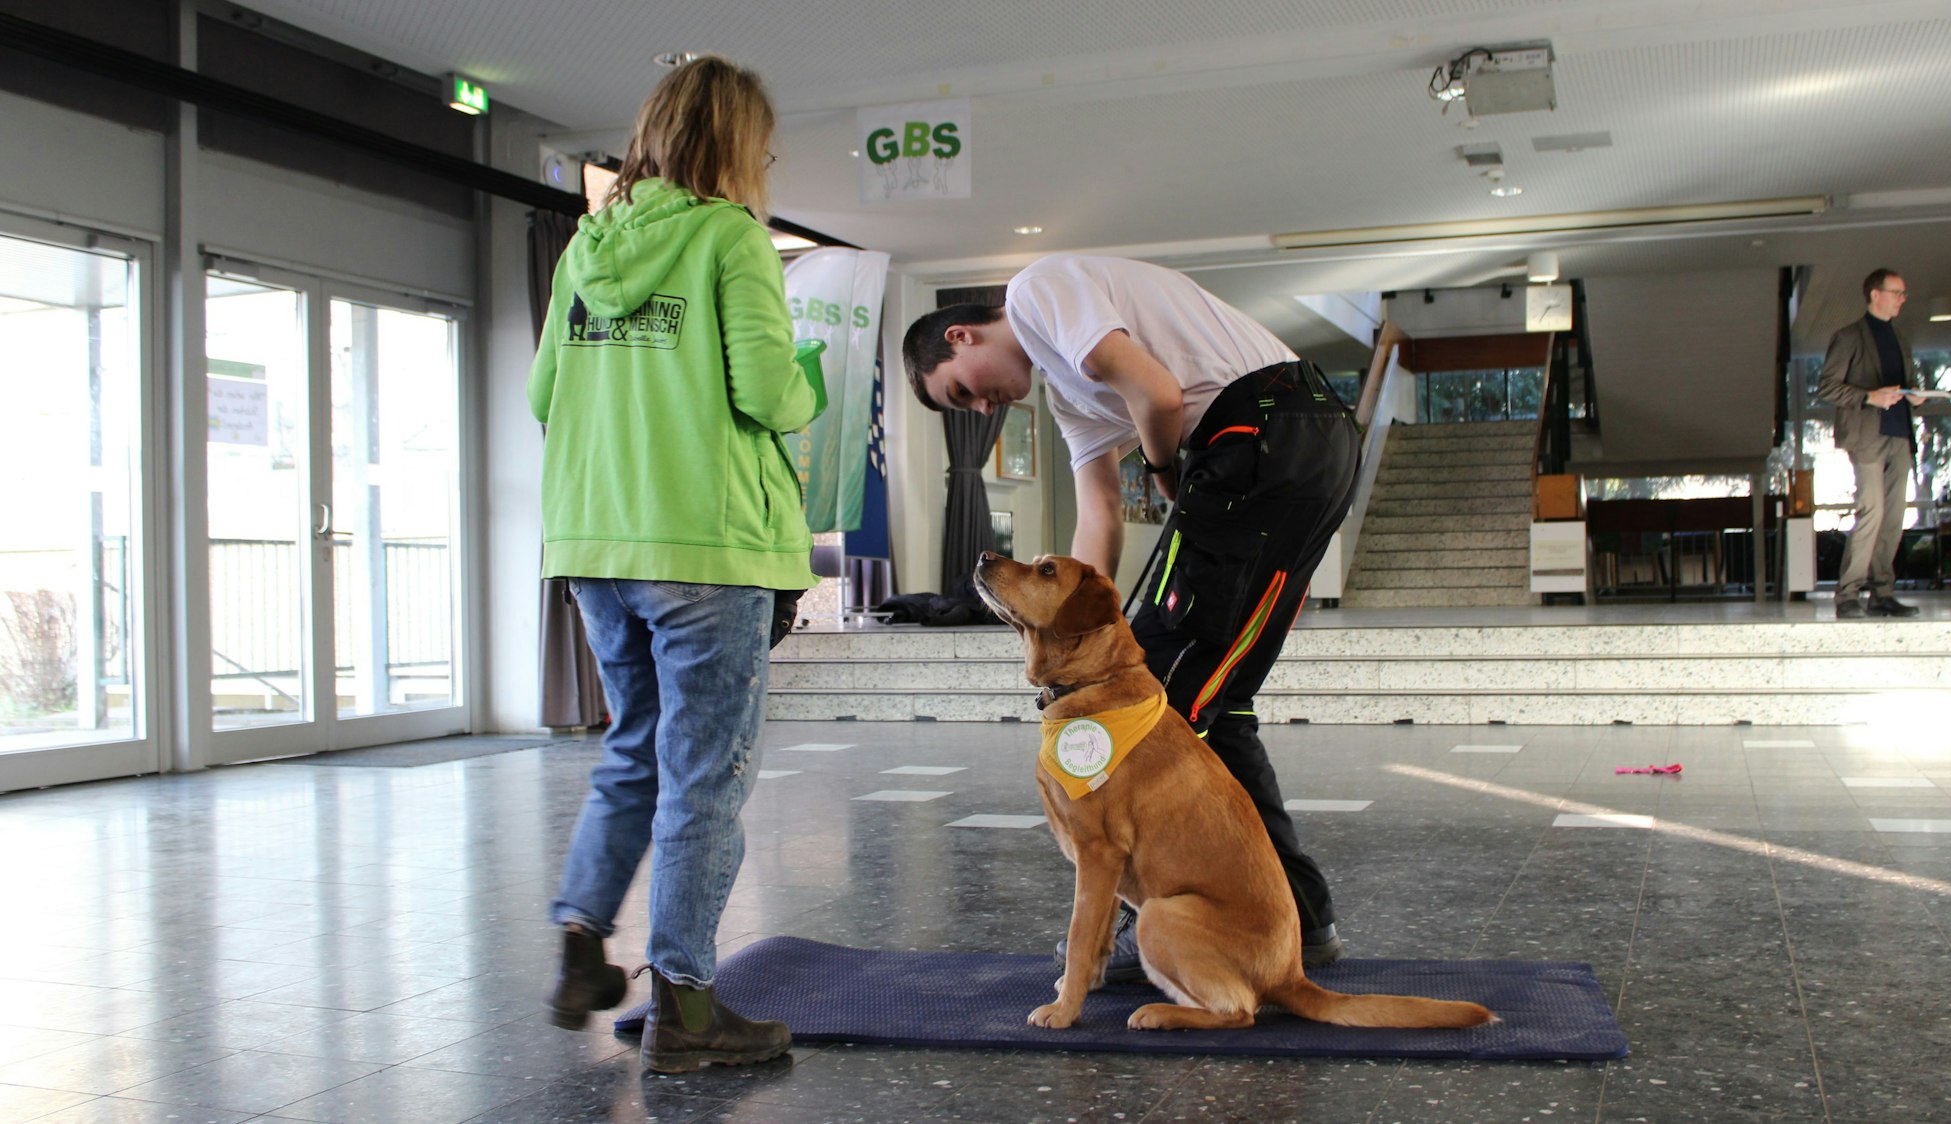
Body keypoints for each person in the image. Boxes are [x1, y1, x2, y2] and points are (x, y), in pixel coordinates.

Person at [903, 255, 1361, 980]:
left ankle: (1145, 917)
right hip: (1303, 442)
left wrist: (1166, 472)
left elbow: (1156, 392)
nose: (984, 411)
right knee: (1209, 693)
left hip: (1260, 434)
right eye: (971, 411)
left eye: (964, 394)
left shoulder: (1036, 292)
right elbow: (1099, 520)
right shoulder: (1069, 394)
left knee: (1155, 694)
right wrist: (1065, 631)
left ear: (961, 336)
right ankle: (1297, 920)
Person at [528, 54, 819, 1073]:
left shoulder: (584, 245)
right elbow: (770, 395)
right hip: (707, 543)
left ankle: (580, 938)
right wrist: (810, 376)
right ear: (739, 144)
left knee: (633, 747)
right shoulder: (730, 237)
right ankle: (689, 1012)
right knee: (705, 777)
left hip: (596, 543)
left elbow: (539, 396)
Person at [1817, 268, 1922, 619]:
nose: (1902, 299)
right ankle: (1848, 595)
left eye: (1903, 293)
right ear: (1875, 294)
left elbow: (1906, 383)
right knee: (1872, 511)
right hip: (1866, 437)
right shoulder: (1848, 337)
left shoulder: (1900, 339)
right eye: (1897, 292)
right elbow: (1828, 387)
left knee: (1893, 517)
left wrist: (1915, 395)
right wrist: (1869, 397)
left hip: (1900, 435)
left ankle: (1882, 592)